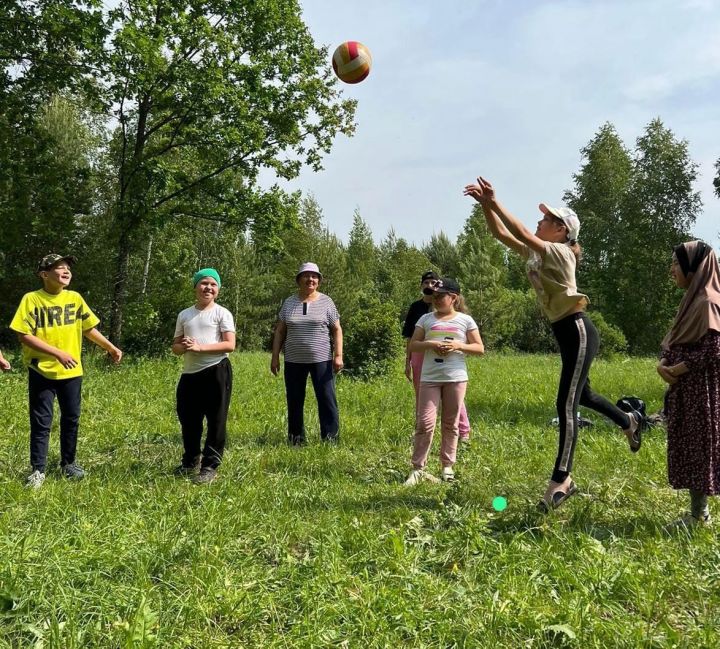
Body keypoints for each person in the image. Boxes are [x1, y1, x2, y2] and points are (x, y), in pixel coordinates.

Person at [464, 177, 644, 512]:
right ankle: (628, 421)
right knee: (584, 395)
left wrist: (495, 199)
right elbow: (502, 235)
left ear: (561, 231)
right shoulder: (538, 254)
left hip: (578, 329)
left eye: (546, 220)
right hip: (564, 331)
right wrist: (486, 206)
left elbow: (519, 232)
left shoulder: (561, 253)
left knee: (566, 404)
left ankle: (562, 479)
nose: (539, 221)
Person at [10, 253, 122, 489]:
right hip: (42, 371)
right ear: (44, 274)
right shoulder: (32, 300)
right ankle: (38, 470)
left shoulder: (75, 298)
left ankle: (68, 464)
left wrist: (110, 347)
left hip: (72, 373)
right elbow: (24, 335)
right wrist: (57, 353)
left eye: (68, 268)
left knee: (71, 418)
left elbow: (88, 328)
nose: (66, 271)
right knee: (42, 422)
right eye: (59, 268)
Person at [658, 241, 720, 528]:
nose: (671, 269)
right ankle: (698, 513)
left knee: (699, 450)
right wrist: (663, 365)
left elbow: (713, 350)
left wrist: (679, 368)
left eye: (675, 263)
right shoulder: (692, 301)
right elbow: (676, 341)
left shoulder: (708, 301)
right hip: (687, 390)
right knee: (691, 449)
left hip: (701, 392)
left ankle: (699, 516)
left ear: (693, 268)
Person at [405, 278, 484, 485]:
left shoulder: (465, 320)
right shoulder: (425, 319)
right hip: (429, 377)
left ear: (454, 298)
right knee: (425, 423)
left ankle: (447, 466)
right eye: (434, 296)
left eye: (441, 296)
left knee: (451, 424)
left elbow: (479, 348)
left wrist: (458, 346)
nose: (436, 299)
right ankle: (417, 468)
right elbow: (413, 345)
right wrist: (431, 344)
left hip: (455, 378)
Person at [172, 268, 235, 484]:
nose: (208, 288)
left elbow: (230, 344)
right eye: (204, 283)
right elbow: (176, 347)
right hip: (190, 374)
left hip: (217, 370)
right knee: (188, 419)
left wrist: (200, 348)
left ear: (217, 290)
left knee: (216, 420)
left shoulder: (222, 313)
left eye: (213, 285)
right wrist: (185, 346)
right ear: (195, 286)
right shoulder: (185, 314)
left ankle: (209, 467)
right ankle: (190, 461)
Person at [271, 262, 343, 445]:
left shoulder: (326, 302)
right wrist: (274, 357)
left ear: (318, 281)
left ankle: (330, 440)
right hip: (294, 360)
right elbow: (280, 331)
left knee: (327, 399)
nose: (310, 279)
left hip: (322, 359)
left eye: (314, 276)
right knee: (294, 400)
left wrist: (338, 355)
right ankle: (296, 440)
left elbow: (336, 329)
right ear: (298, 280)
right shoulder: (289, 302)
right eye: (306, 275)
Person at [402, 271, 472, 442]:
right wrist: (408, 361)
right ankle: (422, 430)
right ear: (421, 286)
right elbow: (411, 338)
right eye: (426, 283)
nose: (429, 286)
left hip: (448, 358)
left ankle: (463, 431)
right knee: (422, 395)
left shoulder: (447, 307)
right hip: (420, 355)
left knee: (454, 396)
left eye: (433, 282)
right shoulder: (416, 308)